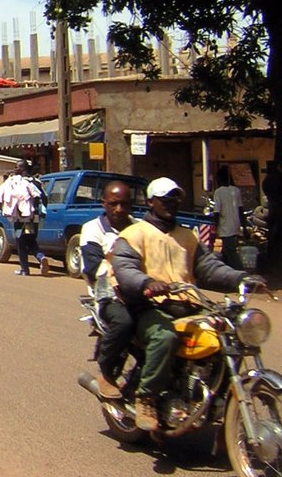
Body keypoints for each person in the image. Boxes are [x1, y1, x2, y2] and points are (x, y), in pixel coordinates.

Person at [111, 176, 262, 431]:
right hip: (149, 306)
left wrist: (242, 277)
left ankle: (214, 391)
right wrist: (147, 282)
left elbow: (209, 268)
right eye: (165, 198)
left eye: (175, 198)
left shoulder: (187, 237)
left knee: (229, 330)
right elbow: (124, 269)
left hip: (187, 305)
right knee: (164, 337)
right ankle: (146, 397)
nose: (171, 203)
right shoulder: (134, 234)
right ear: (150, 202)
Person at [79, 181, 136, 399]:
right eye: (114, 204)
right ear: (104, 203)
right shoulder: (92, 229)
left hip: (140, 292)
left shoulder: (140, 228)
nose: (119, 209)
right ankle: (106, 370)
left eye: (124, 204)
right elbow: (93, 268)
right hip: (107, 295)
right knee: (125, 322)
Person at [0, 159, 49, 275]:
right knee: (31, 239)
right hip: (34, 218)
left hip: (21, 218)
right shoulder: (36, 182)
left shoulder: (16, 183)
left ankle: (25, 269)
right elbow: (44, 198)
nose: (15, 169)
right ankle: (41, 257)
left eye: (16, 167)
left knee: (21, 241)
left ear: (22, 168)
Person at [213, 168, 244, 269]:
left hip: (225, 227)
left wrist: (214, 228)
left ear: (219, 179)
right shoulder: (236, 191)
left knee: (230, 252)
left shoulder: (218, 192)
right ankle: (225, 270)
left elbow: (216, 212)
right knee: (226, 252)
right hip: (235, 226)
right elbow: (240, 210)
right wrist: (244, 226)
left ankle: (241, 271)